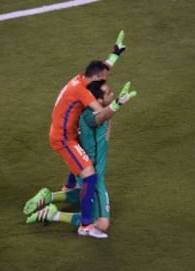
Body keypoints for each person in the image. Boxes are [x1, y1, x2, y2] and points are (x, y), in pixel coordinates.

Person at [24, 80, 131, 234]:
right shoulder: (90, 116)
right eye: (108, 93)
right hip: (93, 172)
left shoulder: (84, 110)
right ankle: (54, 215)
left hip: (81, 166)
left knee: (83, 192)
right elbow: (100, 118)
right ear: (98, 100)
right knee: (101, 223)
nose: (112, 94)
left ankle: (49, 197)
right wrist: (117, 103)